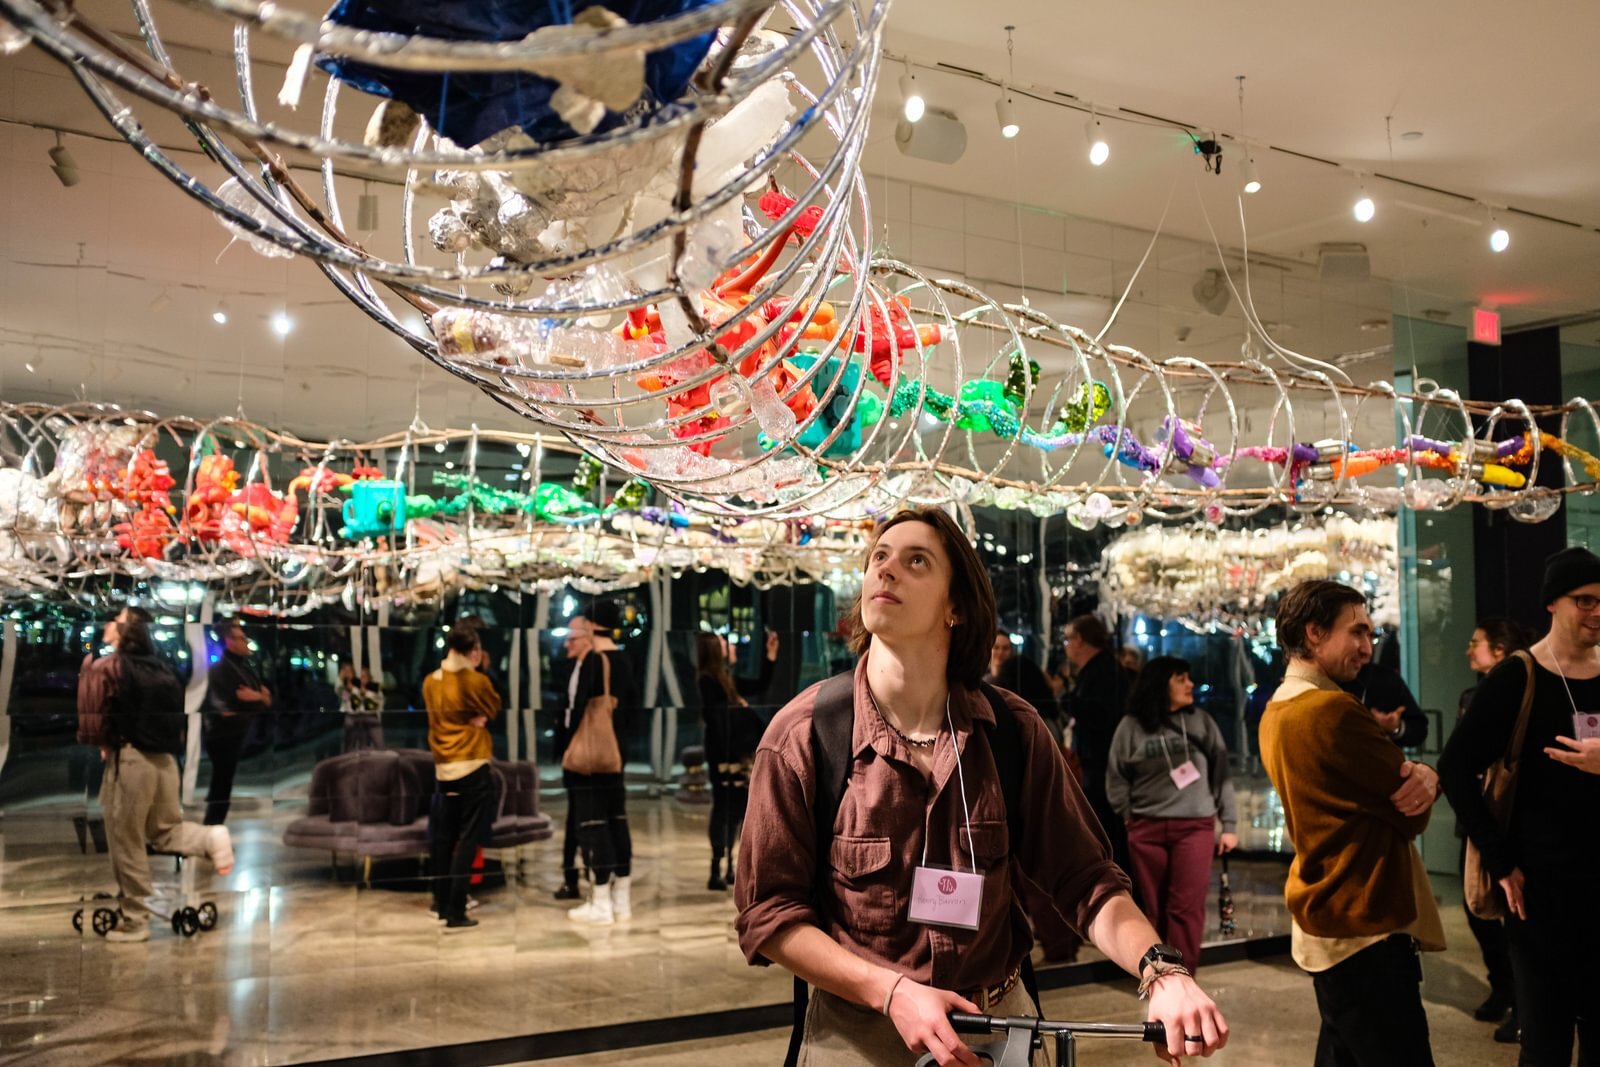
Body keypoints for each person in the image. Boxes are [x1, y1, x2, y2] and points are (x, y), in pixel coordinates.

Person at [736, 508, 1227, 1067]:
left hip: (1000, 1026)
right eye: (879, 557)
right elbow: (768, 913)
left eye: (915, 560)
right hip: (860, 1034)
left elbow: (1084, 879)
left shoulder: (1011, 730)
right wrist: (892, 992)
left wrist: (1161, 971)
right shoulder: (805, 733)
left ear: (956, 608)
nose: (886, 570)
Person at [1260, 579, 1445, 1067]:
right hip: (1366, 918)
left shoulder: (1275, 709)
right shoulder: (1332, 709)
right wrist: (1427, 775)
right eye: (1356, 633)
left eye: (1370, 634)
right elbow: (1413, 810)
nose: (1367, 647)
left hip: (1329, 914)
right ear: (1314, 633)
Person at [1440, 547, 1600, 1066]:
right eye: (1586, 601)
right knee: (1546, 1043)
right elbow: (1455, 767)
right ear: (1553, 604)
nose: (1598, 612)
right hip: (1539, 892)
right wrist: (1500, 859)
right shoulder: (1518, 675)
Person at [77, 608, 233, 942]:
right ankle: (210, 838)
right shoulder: (161, 668)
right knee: (165, 832)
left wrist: (103, 742)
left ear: (126, 630)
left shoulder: (112, 666)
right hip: (165, 763)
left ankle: (135, 922)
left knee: (126, 841)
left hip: (132, 762)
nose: (107, 624)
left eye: (114, 620)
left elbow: (94, 717)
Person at [1107, 656, 1238, 972]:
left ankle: (1184, 976)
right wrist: (1129, 815)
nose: (1190, 684)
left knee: (1185, 908)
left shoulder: (1201, 722)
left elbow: (1222, 775)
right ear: (1159, 683)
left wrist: (1230, 824)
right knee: (1154, 910)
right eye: (1181, 678)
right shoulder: (1131, 727)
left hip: (1195, 827)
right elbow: (1116, 776)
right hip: (1146, 828)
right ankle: (1160, 975)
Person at [1453, 617, 1528, 1041]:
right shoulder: (1470, 695)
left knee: (1515, 915)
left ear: (1499, 650)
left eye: (1476, 643)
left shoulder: (1518, 691)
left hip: (1507, 816)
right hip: (1474, 816)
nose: (1469, 651)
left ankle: (1524, 1001)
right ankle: (1504, 987)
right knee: (1476, 906)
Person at [564, 601, 642, 926]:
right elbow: (634, 707)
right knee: (617, 821)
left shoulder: (595, 661)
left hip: (589, 759)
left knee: (593, 826)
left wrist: (568, 742)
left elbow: (576, 710)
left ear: (592, 626)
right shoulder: (623, 659)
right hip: (615, 756)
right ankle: (621, 902)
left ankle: (600, 903)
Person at [422, 625, 501, 931]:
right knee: (468, 838)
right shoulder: (475, 680)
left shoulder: (431, 682)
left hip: (444, 767)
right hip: (472, 766)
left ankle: (441, 903)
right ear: (473, 650)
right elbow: (492, 706)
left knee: (444, 838)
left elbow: (436, 720)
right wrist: (474, 720)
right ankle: (457, 909)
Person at [697, 630, 778, 891]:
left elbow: (760, 684)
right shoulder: (709, 681)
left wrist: (770, 657)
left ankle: (731, 866)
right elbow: (717, 721)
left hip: (734, 751)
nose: (730, 646)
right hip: (724, 752)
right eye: (724, 644)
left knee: (737, 808)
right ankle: (715, 867)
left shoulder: (726, 679)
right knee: (724, 807)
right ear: (713, 650)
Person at [1062, 613, 1133, 870]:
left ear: (1080, 640)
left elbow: (1102, 716)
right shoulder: (1099, 669)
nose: (1066, 645)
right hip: (1096, 763)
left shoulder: (1104, 671)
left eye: (1068, 639)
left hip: (1103, 765)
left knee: (1105, 829)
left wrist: (1070, 703)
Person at [203, 620, 271, 825]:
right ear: (229, 641)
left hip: (237, 736)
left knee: (223, 787)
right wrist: (257, 699)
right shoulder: (220, 670)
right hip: (224, 737)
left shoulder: (245, 667)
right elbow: (226, 710)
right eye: (242, 638)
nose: (246, 643)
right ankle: (211, 832)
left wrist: (256, 697)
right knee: (221, 787)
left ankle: (213, 832)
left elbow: (266, 700)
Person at [552, 623, 591, 901]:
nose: (567, 644)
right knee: (574, 816)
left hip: (588, 754)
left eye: (572, 639)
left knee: (583, 818)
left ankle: (585, 876)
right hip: (571, 753)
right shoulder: (567, 668)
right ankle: (571, 877)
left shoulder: (595, 666)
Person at [1344, 661, 1428, 748]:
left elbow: (1419, 730)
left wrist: (1395, 727)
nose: (1366, 651)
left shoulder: (1385, 678)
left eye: (1369, 646)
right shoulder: (1330, 682)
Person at [986, 633, 1059, 728]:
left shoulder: (1021, 676)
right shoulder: (984, 680)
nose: (1000, 652)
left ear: (1011, 651)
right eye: (996, 647)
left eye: (1005, 648)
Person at [337, 663, 384, 753]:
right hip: (355, 719)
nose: (362, 679)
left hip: (372, 719)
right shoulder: (351, 688)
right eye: (360, 677)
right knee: (352, 746)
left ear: (369, 677)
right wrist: (349, 688)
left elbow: (372, 705)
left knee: (379, 746)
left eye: (364, 676)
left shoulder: (374, 688)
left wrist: (363, 693)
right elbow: (346, 702)